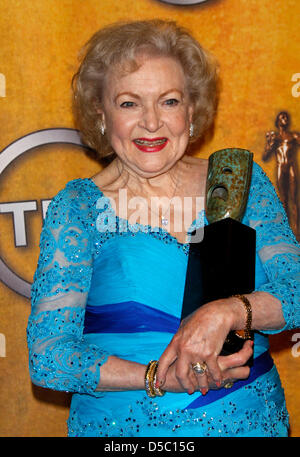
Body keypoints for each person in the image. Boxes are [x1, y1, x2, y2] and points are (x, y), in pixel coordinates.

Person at [27, 20, 300, 437]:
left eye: (169, 101)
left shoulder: (238, 180)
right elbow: (48, 356)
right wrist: (155, 377)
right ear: (101, 115)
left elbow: (295, 288)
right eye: (129, 103)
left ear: (192, 111)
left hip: (251, 420)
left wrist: (228, 311)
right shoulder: (78, 209)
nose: (151, 123)